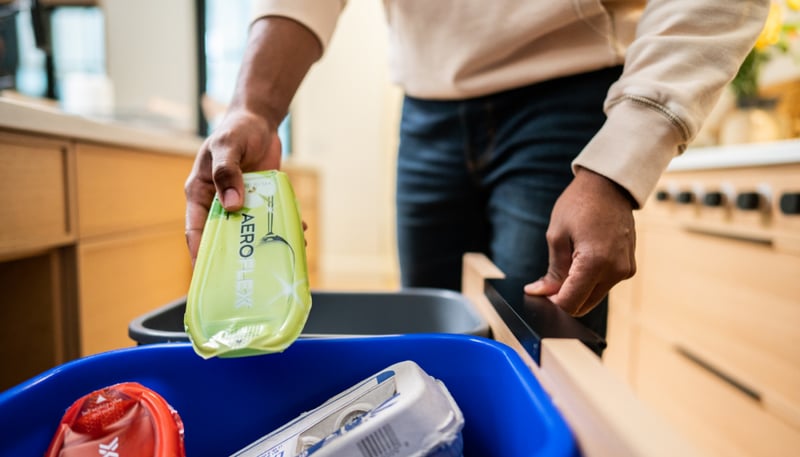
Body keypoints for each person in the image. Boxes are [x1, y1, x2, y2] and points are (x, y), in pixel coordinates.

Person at [184, 0, 768, 337]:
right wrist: (254, 107)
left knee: (538, 354)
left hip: (571, 95)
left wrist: (619, 162)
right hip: (426, 105)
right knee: (429, 339)